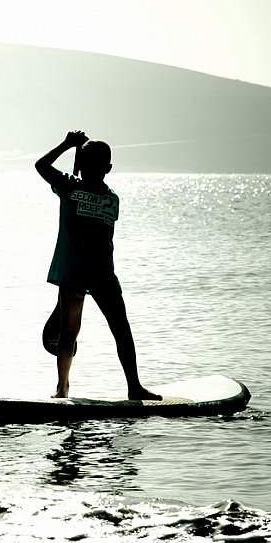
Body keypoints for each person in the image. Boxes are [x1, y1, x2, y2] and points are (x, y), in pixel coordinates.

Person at [35, 129, 161, 401]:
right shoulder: (111, 199)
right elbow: (84, 189)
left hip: (76, 273)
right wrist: (78, 152)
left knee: (69, 332)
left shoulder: (71, 187)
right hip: (99, 272)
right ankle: (133, 386)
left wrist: (68, 145)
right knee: (120, 330)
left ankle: (62, 388)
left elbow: (43, 167)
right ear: (108, 169)